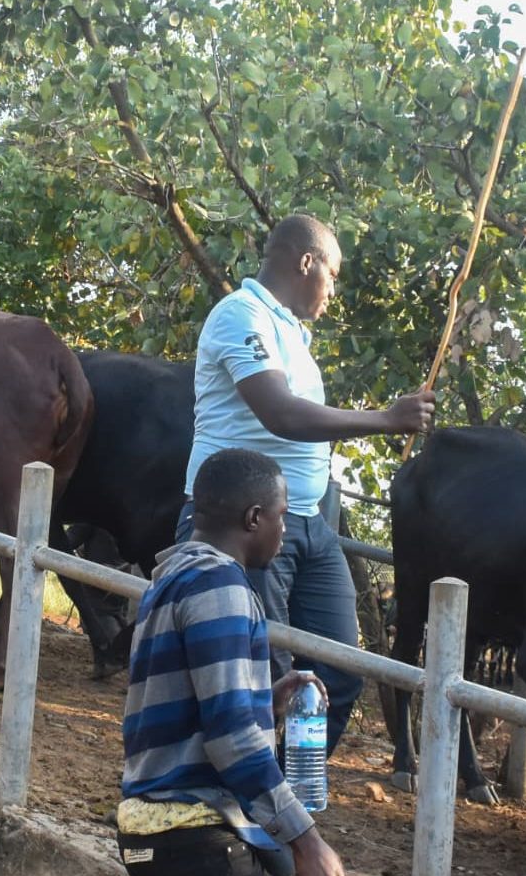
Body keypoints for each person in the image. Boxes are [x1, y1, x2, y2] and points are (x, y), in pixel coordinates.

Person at [120, 448, 348, 876]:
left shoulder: (172, 577)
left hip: (156, 841)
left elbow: (187, 706)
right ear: (255, 517)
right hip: (195, 841)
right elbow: (231, 742)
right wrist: (304, 838)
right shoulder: (223, 587)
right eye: (282, 515)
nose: (285, 528)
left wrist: (265, 696)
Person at [181, 212, 433, 751]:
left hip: (307, 523)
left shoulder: (292, 332)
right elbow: (282, 415)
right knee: (259, 675)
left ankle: (288, 790)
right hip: (244, 524)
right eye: (333, 275)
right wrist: (385, 420)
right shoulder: (240, 315)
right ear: (305, 261)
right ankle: (255, 805)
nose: (333, 291)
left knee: (340, 671)